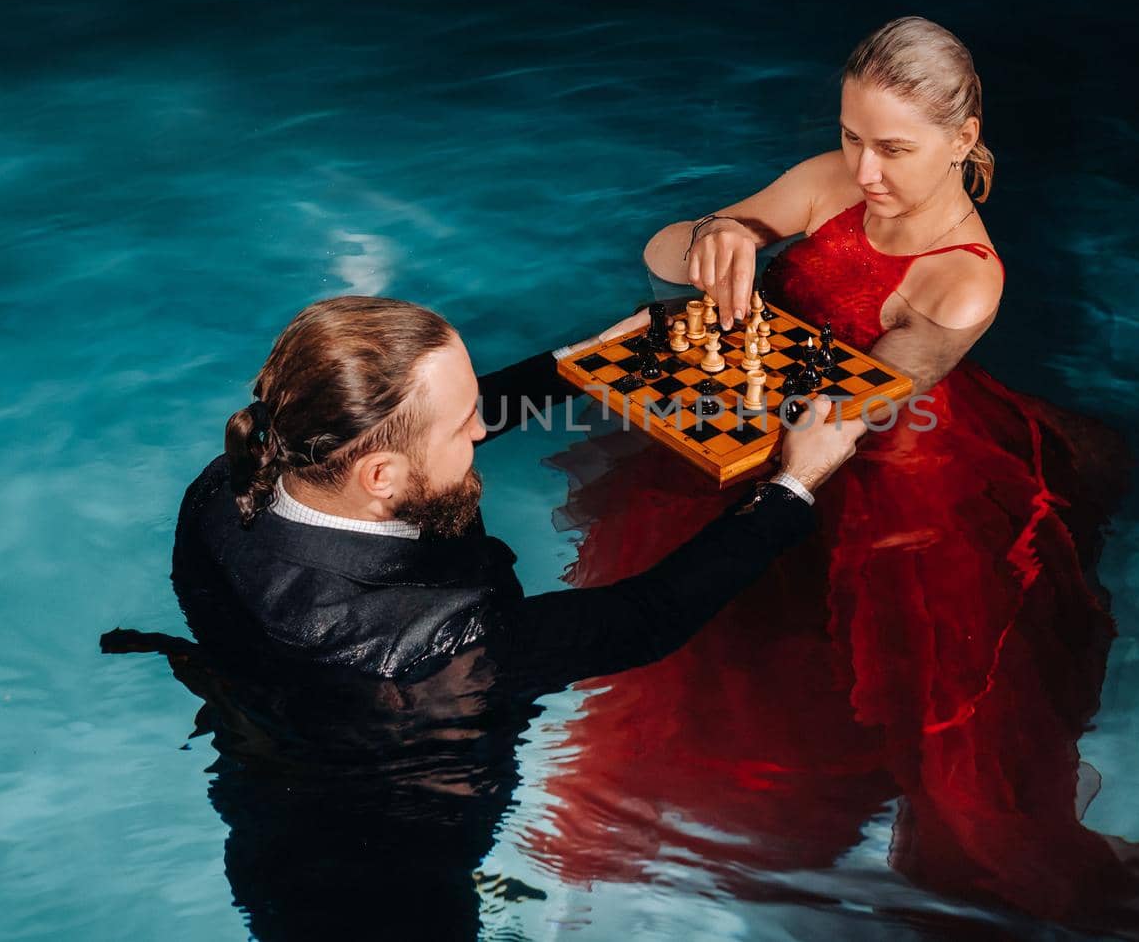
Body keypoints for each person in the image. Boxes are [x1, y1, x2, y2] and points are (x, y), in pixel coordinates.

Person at [537, 18, 1139, 936]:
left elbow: (864, 398)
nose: (864, 171)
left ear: (963, 141)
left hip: (886, 461)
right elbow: (663, 249)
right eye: (849, 136)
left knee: (907, 707)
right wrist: (712, 237)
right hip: (769, 420)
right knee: (706, 654)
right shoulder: (837, 181)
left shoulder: (967, 279)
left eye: (892, 148)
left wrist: (709, 342)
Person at [169, 294, 863, 686]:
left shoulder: (228, 482)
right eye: (464, 425)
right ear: (381, 477)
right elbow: (643, 619)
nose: (482, 430)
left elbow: (418, 425)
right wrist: (792, 486)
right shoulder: (437, 641)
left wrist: (578, 365)